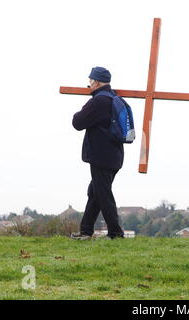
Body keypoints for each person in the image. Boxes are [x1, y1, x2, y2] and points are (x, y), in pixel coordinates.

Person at [71, 66, 125, 240]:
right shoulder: (114, 98)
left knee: (103, 194)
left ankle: (116, 233)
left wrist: (78, 113)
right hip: (114, 155)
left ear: (96, 81)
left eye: (90, 81)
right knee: (95, 192)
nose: (89, 84)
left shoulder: (99, 101)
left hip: (101, 156)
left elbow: (78, 122)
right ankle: (86, 231)